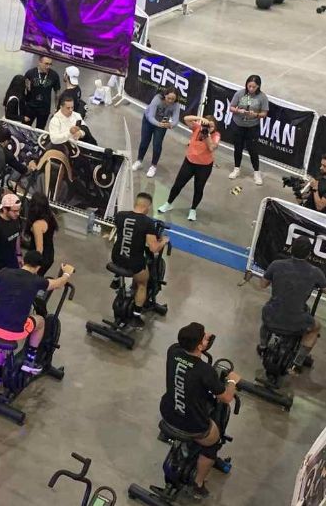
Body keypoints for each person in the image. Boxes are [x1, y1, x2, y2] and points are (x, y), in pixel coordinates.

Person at [159, 322, 241, 499]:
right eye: (204, 337)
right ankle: (198, 484)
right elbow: (226, 398)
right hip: (192, 425)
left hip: (168, 414)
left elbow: (188, 352)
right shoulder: (205, 371)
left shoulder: (173, 351)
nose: (206, 337)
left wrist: (200, 342)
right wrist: (232, 381)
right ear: (199, 346)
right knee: (213, 442)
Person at [0, 252, 74, 379]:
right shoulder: (36, 280)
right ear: (38, 267)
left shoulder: (4, 272)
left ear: (24, 261)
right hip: (14, 332)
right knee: (40, 321)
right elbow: (58, 284)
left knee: (1, 343)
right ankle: (30, 361)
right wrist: (67, 273)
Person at [258, 238, 326, 371]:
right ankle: (297, 363)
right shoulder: (316, 272)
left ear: (291, 249)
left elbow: (263, 284)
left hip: (272, 315)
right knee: (316, 328)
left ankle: (262, 347)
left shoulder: (276, 265)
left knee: (267, 315)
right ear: (309, 254)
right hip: (296, 321)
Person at [112, 192, 169, 328]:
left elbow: (125, 234)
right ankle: (136, 316)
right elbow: (153, 248)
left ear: (136, 203)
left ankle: (116, 279)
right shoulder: (147, 222)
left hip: (116, 257)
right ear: (147, 207)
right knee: (143, 283)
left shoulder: (120, 215)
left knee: (126, 257)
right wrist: (164, 241)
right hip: (133, 263)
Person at [157, 115, 221, 222]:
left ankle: (193, 209)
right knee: (178, 184)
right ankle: (168, 203)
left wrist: (207, 135)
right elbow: (186, 118)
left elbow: (211, 148)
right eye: (208, 125)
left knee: (199, 188)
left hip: (204, 166)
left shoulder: (216, 135)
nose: (209, 128)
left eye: (212, 126)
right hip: (189, 162)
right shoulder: (197, 128)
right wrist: (200, 119)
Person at [228, 75, 269, 186]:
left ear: (258, 86)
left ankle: (256, 172)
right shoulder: (239, 94)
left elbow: (264, 113)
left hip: (252, 127)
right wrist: (238, 110)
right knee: (238, 148)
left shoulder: (262, 97)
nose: (251, 89)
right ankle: (236, 169)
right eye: (249, 86)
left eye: (253, 87)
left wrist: (256, 114)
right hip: (238, 125)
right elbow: (231, 107)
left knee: (253, 150)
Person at [135, 87, 180, 178]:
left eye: (173, 99)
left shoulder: (176, 105)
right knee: (144, 141)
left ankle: (153, 166)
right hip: (148, 121)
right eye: (168, 98)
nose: (170, 101)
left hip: (162, 124)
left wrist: (170, 125)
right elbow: (150, 116)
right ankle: (139, 161)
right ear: (165, 95)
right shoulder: (157, 99)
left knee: (157, 145)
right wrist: (159, 124)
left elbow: (175, 120)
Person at [24, 56, 61, 129]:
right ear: (39, 62)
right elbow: (24, 88)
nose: (48, 66)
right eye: (46, 64)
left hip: (44, 109)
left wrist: (57, 109)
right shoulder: (30, 73)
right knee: (24, 128)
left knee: (40, 130)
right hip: (30, 107)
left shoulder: (54, 75)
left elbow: (57, 93)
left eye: (50, 64)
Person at [27, 192, 58, 276]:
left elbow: (39, 249)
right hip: (49, 253)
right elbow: (53, 235)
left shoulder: (37, 225)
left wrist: (35, 268)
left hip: (41, 258)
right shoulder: (51, 216)